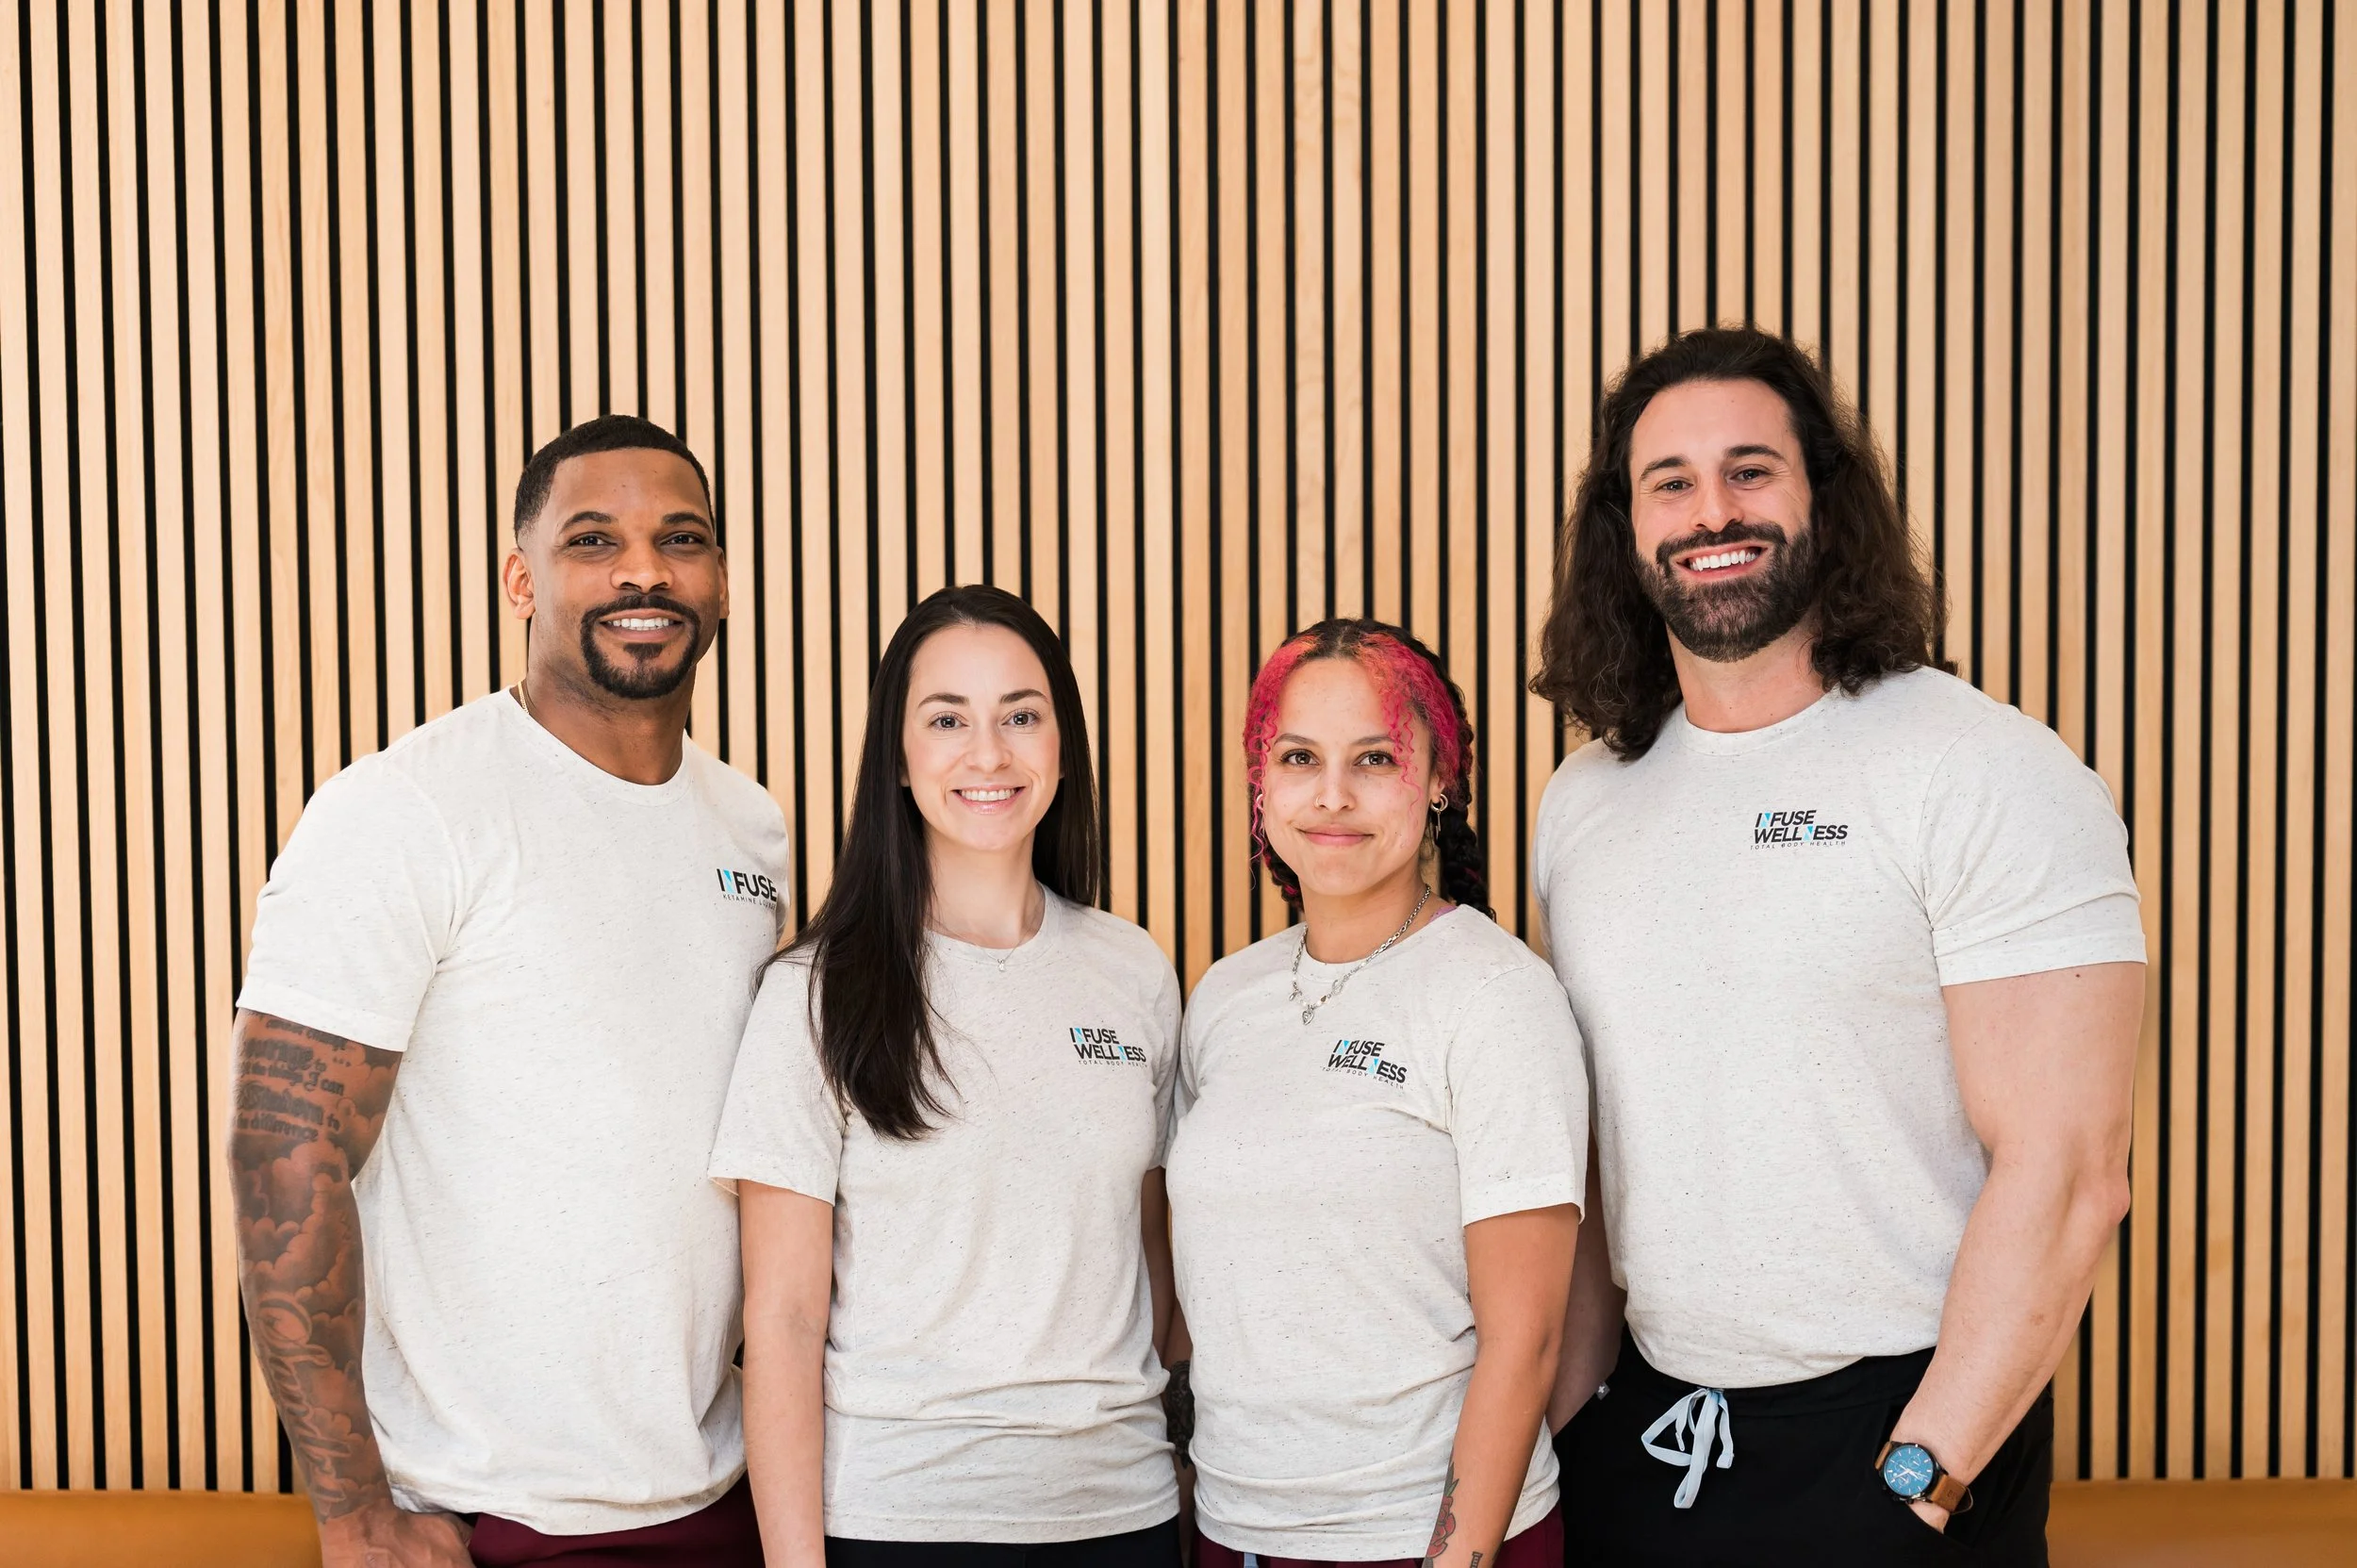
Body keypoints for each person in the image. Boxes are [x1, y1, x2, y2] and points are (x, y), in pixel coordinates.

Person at [1529, 327, 2146, 1565]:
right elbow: (1590, 1168)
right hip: (1652, 1435)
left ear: (1824, 493)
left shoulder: (1981, 767)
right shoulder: (1584, 798)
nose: (1714, 508)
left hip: (1903, 1443)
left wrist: (1914, 1485)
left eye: (1751, 469)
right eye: (1672, 481)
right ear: (1625, 526)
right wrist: (1570, 1433)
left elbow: (2071, 1175)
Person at [229, 415, 789, 1565]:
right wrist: (353, 1512)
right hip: (485, 1516)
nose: (644, 570)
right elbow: (281, 1157)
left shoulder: (754, 827)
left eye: (680, 538)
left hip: (716, 1492)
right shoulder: (406, 808)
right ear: (521, 581)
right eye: (595, 541)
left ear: (721, 582)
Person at [711, 585, 1184, 1568]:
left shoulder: (1132, 970)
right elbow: (784, 1321)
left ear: (1062, 742)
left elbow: (1154, 1266)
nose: (989, 753)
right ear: (897, 754)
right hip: (898, 1522)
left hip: (1119, 1517)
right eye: (947, 720)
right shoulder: (816, 994)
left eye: (1021, 714)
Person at [1166, 619, 1588, 1568]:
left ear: (1440, 778)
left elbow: (1528, 1338)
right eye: (1298, 757)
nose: (1331, 794)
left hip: (1428, 1543)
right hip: (1234, 1534)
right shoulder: (1222, 998)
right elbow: (1204, 1296)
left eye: (1375, 758)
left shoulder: (1496, 994)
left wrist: (1458, 1554)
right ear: (1258, 782)